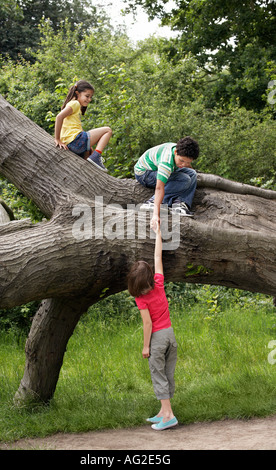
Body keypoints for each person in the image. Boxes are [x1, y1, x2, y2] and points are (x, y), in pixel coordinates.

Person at [127, 225, 178, 431]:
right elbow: (158, 257)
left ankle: (168, 415)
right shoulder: (158, 282)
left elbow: (147, 324)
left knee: (158, 374)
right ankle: (162, 411)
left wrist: (145, 346)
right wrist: (158, 234)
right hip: (170, 335)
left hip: (157, 338)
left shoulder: (141, 299)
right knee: (167, 372)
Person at [134, 137, 199, 228]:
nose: (183, 165)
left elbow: (187, 167)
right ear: (176, 152)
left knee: (192, 174)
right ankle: (151, 202)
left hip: (157, 169)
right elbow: (159, 187)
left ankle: (179, 204)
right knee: (184, 179)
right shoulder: (166, 162)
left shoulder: (179, 150)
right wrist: (156, 215)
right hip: (145, 174)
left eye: (187, 162)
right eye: (181, 161)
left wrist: (191, 171)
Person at [54, 80, 112, 172]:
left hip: (71, 144)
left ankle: (93, 161)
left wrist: (89, 147)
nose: (89, 99)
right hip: (76, 140)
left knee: (88, 161)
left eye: (90, 97)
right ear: (77, 93)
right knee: (107, 130)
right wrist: (57, 139)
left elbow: (75, 127)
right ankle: (97, 156)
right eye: (87, 96)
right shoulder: (75, 103)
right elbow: (59, 117)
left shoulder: (75, 106)